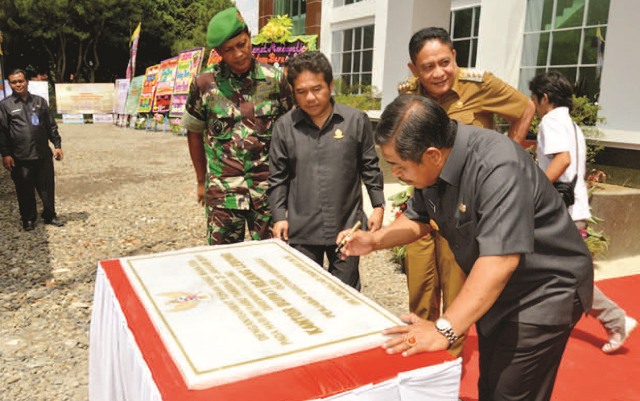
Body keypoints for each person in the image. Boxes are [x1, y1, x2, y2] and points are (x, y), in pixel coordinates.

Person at [338, 95, 593, 401]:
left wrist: (443, 328)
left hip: (544, 289)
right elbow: (420, 217)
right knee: (491, 385)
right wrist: (374, 240)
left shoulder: (498, 166)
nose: (396, 174)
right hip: (497, 289)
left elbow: (500, 261)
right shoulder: (434, 162)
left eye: (397, 165)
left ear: (432, 154)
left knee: (511, 393)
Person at [396, 27, 536, 356]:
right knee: (419, 286)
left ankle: (449, 362)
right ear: (414, 69)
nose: (438, 72)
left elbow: (525, 108)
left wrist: (505, 156)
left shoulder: (479, 84)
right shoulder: (409, 93)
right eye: (428, 67)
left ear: (455, 58)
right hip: (425, 203)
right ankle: (421, 358)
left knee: (456, 290)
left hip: (461, 209)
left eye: (445, 62)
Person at [529, 71, 637, 354]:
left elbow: (562, 160)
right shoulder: (573, 126)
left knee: (567, 274)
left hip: (557, 213)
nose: (534, 106)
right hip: (574, 209)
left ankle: (615, 319)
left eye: (534, 99)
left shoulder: (551, 121)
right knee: (556, 271)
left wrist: (532, 193)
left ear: (544, 98)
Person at [267, 51, 385, 290]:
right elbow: (278, 177)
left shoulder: (355, 121)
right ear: (293, 92)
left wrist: (378, 206)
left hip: (347, 225)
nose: (310, 97)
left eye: (317, 89)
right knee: (306, 293)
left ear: (330, 85)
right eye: (301, 92)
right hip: (302, 228)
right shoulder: (284, 127)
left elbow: (369, 165)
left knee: (346, 292)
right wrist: (279, 217)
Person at [182, 7, 291, 245]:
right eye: (229, 50)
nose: (239, 54)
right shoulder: (205, 84)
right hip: (223, 194)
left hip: (268, 192)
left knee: (274, 260)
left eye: (242, 44)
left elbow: (291, 134)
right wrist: (201, 181)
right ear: (218, 52)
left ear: (250, 36)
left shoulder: (275, 80)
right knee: (223, 263)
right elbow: (194, 132)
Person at [0, 69, 65, 231]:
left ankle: (50, 215)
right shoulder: (5, 106)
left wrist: (57, 145)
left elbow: (51, 125)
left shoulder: (40, 102)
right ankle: (28, 219)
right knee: (24, 189)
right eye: (14, 82)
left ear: (27, 82)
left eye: (20, 81)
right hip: (20, 157)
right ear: (10, 84)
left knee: (47, 188)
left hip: (43, 154)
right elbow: (2, 132)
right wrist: (6, 154)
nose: (18, 84)